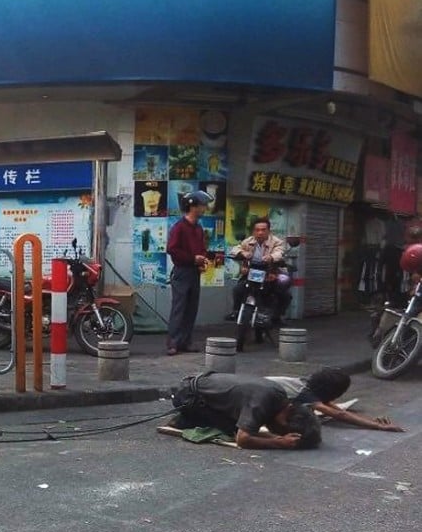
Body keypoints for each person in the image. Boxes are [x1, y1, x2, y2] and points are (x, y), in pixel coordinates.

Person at [169, 372, 322, 449]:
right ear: (288, 412)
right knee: (232, 430)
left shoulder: (279, 396)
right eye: (281, 429)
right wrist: (278, 442)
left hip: (199, 383)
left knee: (245, 425)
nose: (276, 431)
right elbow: (242, 440)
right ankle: (183, 420)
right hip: (188, 395)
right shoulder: (263, 401)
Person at [266, 368, 405, 432]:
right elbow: (339, 414)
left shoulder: (309, 386)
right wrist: (379, 426)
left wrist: (372, 420)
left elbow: (337, 410)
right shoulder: (304, 393)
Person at [165, 190, 213, 355]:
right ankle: (173, 343)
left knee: (192, 308)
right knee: (179, 307)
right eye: (202, 205)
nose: (205, 208)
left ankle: (185, 341)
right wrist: (193, 259)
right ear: (193, 206)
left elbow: (201, 248)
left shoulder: (198, 228)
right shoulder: (179, 227)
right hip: (182, 271)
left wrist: (202, 260)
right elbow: (172, 249)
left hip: (194, 272)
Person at [226, 217, 291, 323]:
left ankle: (277, 316)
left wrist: (271, 257)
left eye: (263, 230)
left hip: (270, 272)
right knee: (238, 289)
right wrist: (243, 253)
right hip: (252, 273)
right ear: (253, 231)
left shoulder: (277, 242)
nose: (260, 232)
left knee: (285, 294)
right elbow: (235, 249)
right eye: (257, 230)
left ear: (269, 231)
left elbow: (280, 252)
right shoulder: (248, 241)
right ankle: (236, 311)